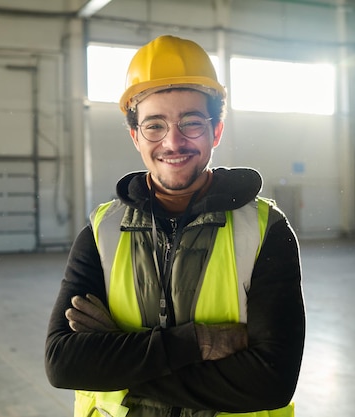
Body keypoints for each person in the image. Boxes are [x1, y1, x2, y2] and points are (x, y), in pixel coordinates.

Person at [45, 35, 305, 417]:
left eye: (191, 123)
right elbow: (62, 363)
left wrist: (116, 355)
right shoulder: (102, 232)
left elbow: (271, 382)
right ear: (136, 136)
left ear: (216, 132)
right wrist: (197, 342)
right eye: (154, 125)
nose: (173, 141)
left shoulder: (266, 231)